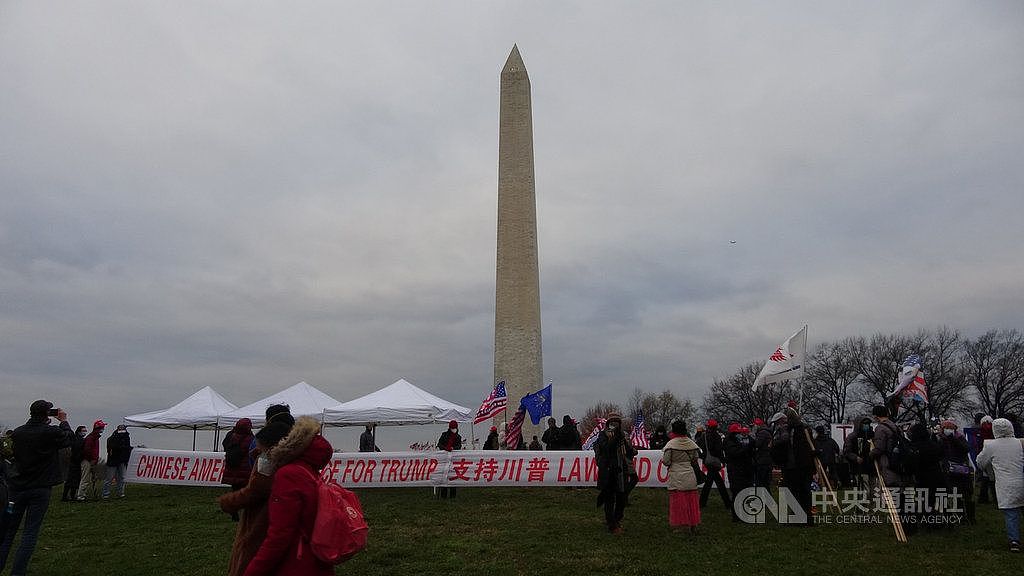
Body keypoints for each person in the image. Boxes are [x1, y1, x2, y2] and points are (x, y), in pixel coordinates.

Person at [240, 416, 335, 576]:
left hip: (296, 563)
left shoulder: (288, 475)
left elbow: (279, 535)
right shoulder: (309, 471)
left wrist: (252, 571)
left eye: (263, 451)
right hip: (318, 560)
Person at [0, 400, 75, 575]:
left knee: (8, 532)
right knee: (29, 533)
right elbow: (70, 439)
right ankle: (18, 572)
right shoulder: (51, 432)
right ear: (47, 415)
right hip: (40, 489)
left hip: (16, 489)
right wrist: (63, 421)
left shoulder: (18, 433)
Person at [220, 405, 295, 576]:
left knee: (254, 555)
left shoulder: (268, 454)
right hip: (289, 519)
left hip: (263, 517)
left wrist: (228, 502)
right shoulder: (297, 450)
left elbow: (258, 488)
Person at [976, 418, 1024, 552]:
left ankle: (1014, 541)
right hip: (1021, 479)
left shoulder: (991, 445)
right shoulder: (1019, 443)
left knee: (1011, 513)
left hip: (1006, 484)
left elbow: (980, 462)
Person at [593, 413, 636, 534]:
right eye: (613, 423)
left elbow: (628, 451)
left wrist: (631, 449)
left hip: (621, 470)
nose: (615, 425)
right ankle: (612, 524)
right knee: (609, 499)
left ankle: (616, 519)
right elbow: (606, 449)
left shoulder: (622, 435)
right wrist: (616, 438)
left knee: (622, 498)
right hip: (608, 471)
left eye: (617, 423)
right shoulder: (603, 435)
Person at [771, 408, 815, 526]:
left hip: (795, 466)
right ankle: (804, 517)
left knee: (797, 492)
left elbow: (808, 446)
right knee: (802, 492)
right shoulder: (802, 429)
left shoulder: (792, 430)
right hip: (800, 465)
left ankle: (802, 517)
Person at [662, 420, 701, 533]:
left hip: (676, 474)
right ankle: (693, 524)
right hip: (689, 473)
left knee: (679, 502)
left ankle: (682, 525)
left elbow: (666, 461)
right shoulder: (691, 443)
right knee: (691, 501)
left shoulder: (671, 445)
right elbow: (695, 458)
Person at [908, 422, 945, 526]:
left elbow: (913, 463)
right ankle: (937, 521)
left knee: (922, 500)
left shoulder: (915, 447)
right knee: (933, 500)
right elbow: (941, 455)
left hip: (922, 477)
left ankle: (925, 522)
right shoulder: (933, 444)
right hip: (936, 476)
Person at [939, 419, 975, 523]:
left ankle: (971, 517)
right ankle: (961, 516)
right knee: (955, 494)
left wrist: (953, 439)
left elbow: (966, 448)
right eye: (946, 427)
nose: (948, 430)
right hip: (950, 470)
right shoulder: (941, 439)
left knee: (967, 493)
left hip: (962, 469)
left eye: (950, 427)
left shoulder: (960, 437)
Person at [869, 405, 908, 489]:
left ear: (876, 416)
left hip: (887, 462)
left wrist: (871, 454)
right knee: (900, 489)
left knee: (891, 490)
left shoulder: (880, 429)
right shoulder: (896, 427)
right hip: (899, 461)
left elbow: (880, 448)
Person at [698, 419, 731, 512]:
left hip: (707, 461)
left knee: (710, 482)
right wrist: (722, 460)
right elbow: (719, 451)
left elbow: (697, 445)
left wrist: (703, 456)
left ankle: (702, 503)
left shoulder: (704, 436)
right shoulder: (716, 437)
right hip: (714, 462)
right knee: (717, 483)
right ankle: (727, 503)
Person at [723, 422, 754, 511]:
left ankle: (742, 509)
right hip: (735, 469)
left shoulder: (735, 441)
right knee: (736, 491)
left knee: (742, 490)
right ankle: (737, 512)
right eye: (738, 433)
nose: (740, 434)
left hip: (740, 468)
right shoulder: (730, 442)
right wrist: (746, 448)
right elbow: (735, 453)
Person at [223, 418, 255, 499]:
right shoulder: (250, 438)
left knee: (235, 490)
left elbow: (225, 445)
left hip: (232, 468)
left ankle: (233, 507)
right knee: (245, 493)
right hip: (245, 470)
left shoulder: (230, 435)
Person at [843, 417, 876, 493]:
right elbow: (847, 451)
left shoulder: (872, 435)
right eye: (864, 424)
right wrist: (855, 457)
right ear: (859, 425)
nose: (866, 425)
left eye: (867, 424)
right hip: (859, 466)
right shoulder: (852, 437)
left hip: (872, 466)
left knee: (874, 487)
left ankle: (873, 502)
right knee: (863, 486)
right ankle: (864, 502)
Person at [76, 419, 106, 501]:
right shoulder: (91, 438)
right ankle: (81, 496)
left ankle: (83, 495)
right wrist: (91, 460)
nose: (103, 429)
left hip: (91, 460)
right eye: (102, 427)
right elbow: (87, 450)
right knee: (85, 478)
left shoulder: (95, 437)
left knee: (90, 479)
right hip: (87, 460)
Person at [102, 424, 132, 499]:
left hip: (121, 461)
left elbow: (126, 448)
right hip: (113, 461)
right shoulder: (112, 438)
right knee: (110, 478)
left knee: (121, 478)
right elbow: (113, 448)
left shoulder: (126, 438)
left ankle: (120, 493)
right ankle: (106, 494)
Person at [437, 420, 462, 499]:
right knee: (444, 477)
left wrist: (453, 448)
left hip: (454, 460)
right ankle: (443, 495)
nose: (454, 429)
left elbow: (459, 446)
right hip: (444, 459)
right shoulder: (444, 435)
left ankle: (452, 496)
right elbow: (439, 444)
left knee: (453, 477)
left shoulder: (458, 437)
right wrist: (445, 448)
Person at [61, 426, 87, 502]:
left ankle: (67, 495)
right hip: (76, 461)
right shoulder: (79, 440)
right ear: (79, 431)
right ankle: (69, 496)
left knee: (71, 480)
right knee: (73, 480)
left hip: (74, 460)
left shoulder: (76, 439)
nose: (84, 432)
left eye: (85, 430)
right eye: (83, 430)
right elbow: (77, 450)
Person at [976, 415, 996, 504]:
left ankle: (983, 498)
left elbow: (979, 443)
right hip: (993, 455)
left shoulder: (981, 431)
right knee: (992, 479)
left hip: (984, 454)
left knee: (986, 477)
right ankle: (995, 499)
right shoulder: (994, 431)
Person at [813, 425, 841, 490]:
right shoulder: (830, 440)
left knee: (822, 474)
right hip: (831, 460)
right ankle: (835, 485)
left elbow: (814, 451)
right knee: (833, 473)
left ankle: (822, 485)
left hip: (821, 461)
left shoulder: (815, 441)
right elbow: (837, 448)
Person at [752, 417, 773, 489]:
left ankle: (761, 497)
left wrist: (753, 435)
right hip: (766, 459)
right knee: (765, 483)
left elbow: (757, 444)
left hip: (762, 460)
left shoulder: (762, 433)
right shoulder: (766, 432)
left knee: (761, 482)